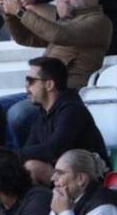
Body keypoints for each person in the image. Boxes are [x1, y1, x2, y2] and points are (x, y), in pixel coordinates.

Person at [0, 0, 113, 146]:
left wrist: (20, 11)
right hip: (42, 89)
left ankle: (23, 158)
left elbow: (59, 34)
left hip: (64, 94)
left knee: (18, 114)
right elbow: (26, 38)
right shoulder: (69, 21)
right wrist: (9, 13)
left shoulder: (99, 22)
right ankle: (4, 157)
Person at [19, 57, 107, 186]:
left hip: (89, 179)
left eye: (31, 81)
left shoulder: (72, 110)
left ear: (49, 85)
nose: (26, 86)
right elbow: (29, 149)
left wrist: (9, 154)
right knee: (22, 167)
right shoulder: (42, 113)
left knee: (32, 167)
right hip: (64, 174)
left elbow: (53, 149)